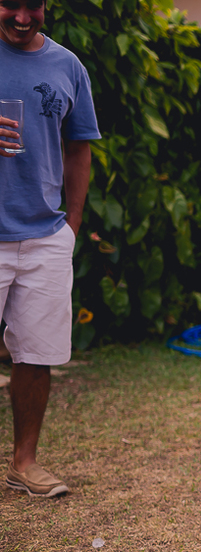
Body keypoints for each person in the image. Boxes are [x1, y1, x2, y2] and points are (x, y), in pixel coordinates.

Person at [0, 0, 100, 497]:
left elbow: (79, 145)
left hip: (45, 235)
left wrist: (72, 225)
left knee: (36, 355)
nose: (22, 17)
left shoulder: (67, 66)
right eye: (9, 4)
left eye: (32, 5)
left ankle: (25, 462)